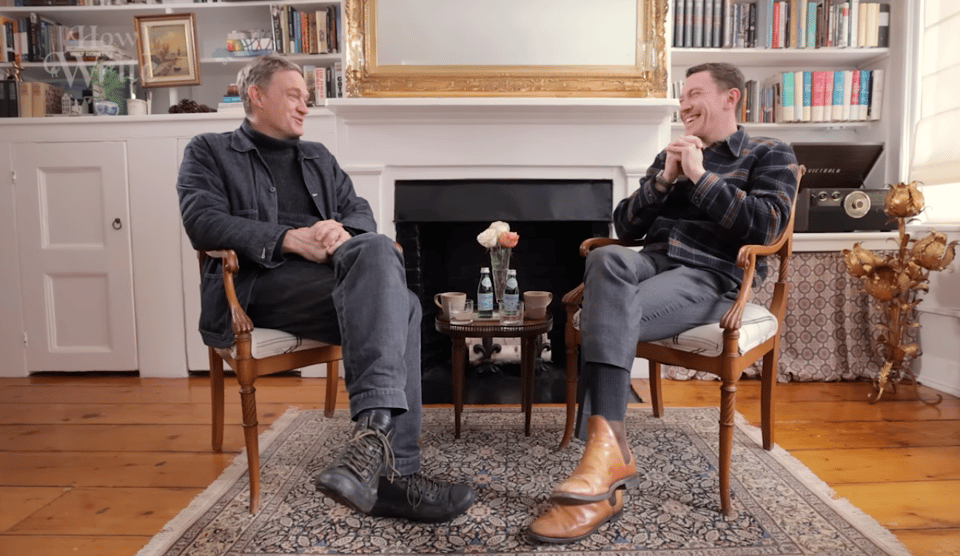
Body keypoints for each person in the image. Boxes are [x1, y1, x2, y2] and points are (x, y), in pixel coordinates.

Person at [177, 53, 475, 523]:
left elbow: (359, 211)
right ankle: (393, 470)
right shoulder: (209, 151)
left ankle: (372, 451)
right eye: (294, 96)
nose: (305, 106)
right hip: (259, 285)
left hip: (327, 280)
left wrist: (341, 233)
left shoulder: (318, 157)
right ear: (256, 96)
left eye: (307, 98)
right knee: (403, 305)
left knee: (383, 262)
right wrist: (288, 239)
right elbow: (202, 222)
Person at [528, 62, 799, 543]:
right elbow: (626, 227)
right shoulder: (669, 155)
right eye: (682, 95)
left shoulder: (769, 153)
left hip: (709, 275)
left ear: (730, 98)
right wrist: (663, 181)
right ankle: (610, 452)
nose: (684, 104)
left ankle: (602, 462)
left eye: (695, 93)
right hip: (653, 261)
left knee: (603, 314)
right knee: (606, 260)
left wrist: (701, 177)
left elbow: (766, 227)